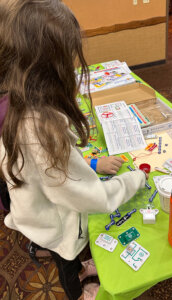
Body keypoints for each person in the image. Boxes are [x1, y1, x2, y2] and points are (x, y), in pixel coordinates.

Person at [0, 1, 148, 299]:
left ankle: (81, 272)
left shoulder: (17, 101)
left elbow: (46, 171)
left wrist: (90, 166)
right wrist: (135, 180)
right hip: (56, 229)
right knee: (67, 263)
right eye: (68, 58)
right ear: (49, 68)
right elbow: (93, 197)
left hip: (38, 213)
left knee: (68, 257)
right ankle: (79, 293)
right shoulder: (42, 130)